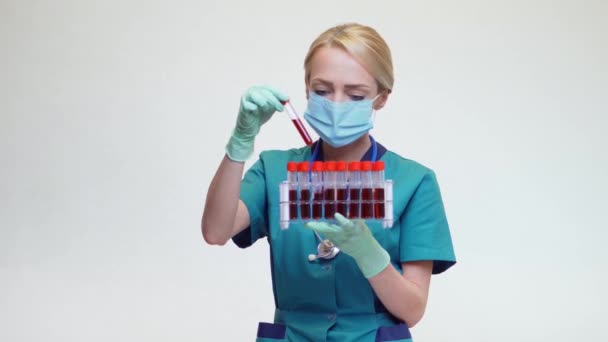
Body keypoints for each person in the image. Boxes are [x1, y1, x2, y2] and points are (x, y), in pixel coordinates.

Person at [202, 22, 456, 342]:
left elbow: (413, 311)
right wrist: (239, 144)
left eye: (355, 94)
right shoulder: (276, 169)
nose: (336, 103)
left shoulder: (414, 182)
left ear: (381, 98)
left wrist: (370, 255)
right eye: (322, 91)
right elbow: (215, 231)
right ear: (306, 89)